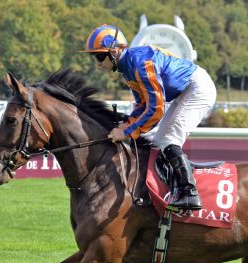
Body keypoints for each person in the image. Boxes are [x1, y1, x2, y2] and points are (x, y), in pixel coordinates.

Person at [81, 24, 217, 210]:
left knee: (169, 139)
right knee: (160, 140)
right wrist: (126, 124)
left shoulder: (140, 64)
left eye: (99, 55)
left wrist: (128, 132)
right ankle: (173, 188)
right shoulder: (128, 68)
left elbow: (156, 108)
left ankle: (190, 193)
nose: (97, 62)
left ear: (114, 51)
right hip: (185, 91)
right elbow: (143, 105)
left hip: (197, 88)